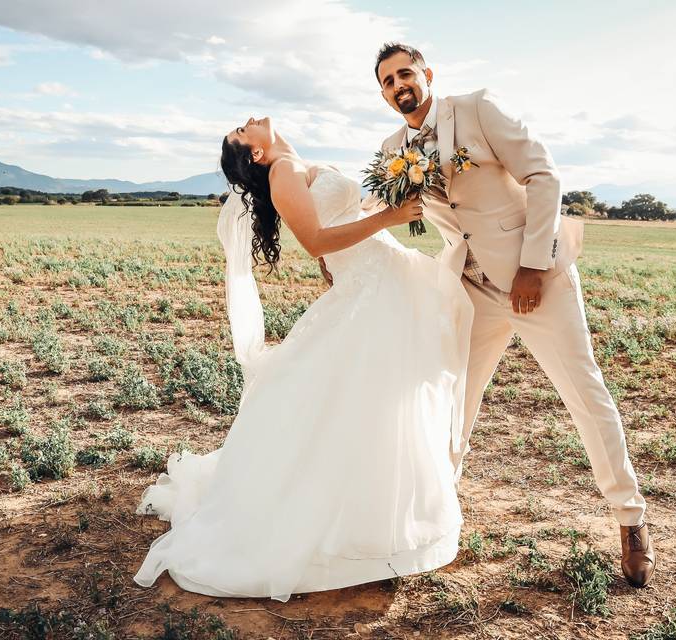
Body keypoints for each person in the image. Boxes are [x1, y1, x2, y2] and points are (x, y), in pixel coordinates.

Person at [348, 42, 655, 587]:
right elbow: (373, 208)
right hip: (469, 289)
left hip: (538, 279)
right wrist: (338, 249)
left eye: (406, 73)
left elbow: (544, 175)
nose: (399, 85)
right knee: (449, 405)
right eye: (388, 80)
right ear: (382, 93)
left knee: (585, 395)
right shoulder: (392, 149)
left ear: (427, 75)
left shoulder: (478, 109)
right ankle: (433, 523)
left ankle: (631, 521)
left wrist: (534, 266)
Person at [133, 115, 475, 602]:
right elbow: (314, 237)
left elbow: (325, 232)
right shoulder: (281, 171)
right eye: (241, 131)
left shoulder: (295, 165)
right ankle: (357, 524)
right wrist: (388, 219)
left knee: (382, 399)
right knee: (365, 398)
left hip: (381, 278)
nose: (247, 121)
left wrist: (372, 217)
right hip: (371, 289)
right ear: (255, 154)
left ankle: (380, 516)